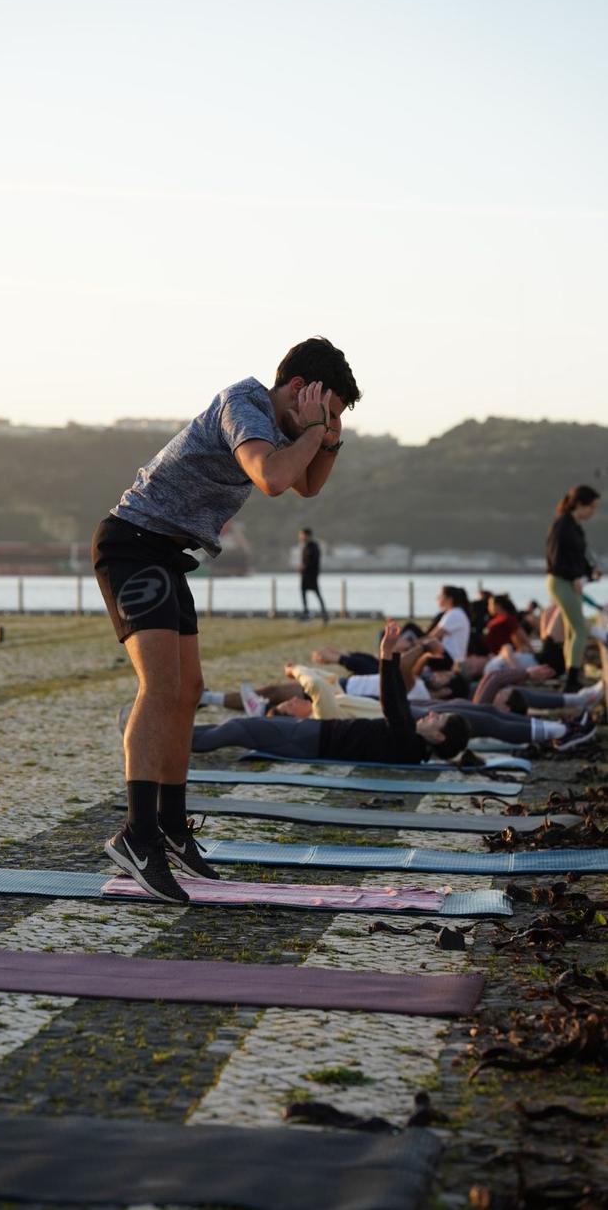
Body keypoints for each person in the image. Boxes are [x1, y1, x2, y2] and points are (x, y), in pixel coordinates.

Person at [92, 336, 360, 903]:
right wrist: (315, 431)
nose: (327, 424)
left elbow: (309, 485)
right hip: (132, 544)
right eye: (326, 409)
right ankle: (136, 836)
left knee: (189, 690)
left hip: (167, 554)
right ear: (298, 389)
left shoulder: (292, 425)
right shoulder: (245, 404)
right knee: (160, 687)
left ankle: (169, 824)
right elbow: (271, 478)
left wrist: (326, 437)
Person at [191, 621, 470, 763]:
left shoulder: (409, 741)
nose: (432, 713)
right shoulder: (413, 745)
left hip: (313, 739)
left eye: (438, 719)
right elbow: (396, 701)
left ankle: (174, 746)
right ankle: (176, 737)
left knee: (238, 729)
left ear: (438, 736)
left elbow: (392, 703)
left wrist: (387, 655)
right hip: (314, 736)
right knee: (235, 728)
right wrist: (389, 659)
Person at [546, 485, 603, 691]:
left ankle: (570, 675)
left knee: (573, 630)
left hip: (569, 581)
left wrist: (589, 572)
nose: (593, 512)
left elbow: (577, 557)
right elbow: (556, 558)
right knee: (579, 629)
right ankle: (571, 679)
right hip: (562, 582)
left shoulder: (574, 526)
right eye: (591, 507)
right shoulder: (563, 526)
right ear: (579, 504)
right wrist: (575, 577)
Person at [298, 527, 328, 622]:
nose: (300, 537)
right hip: (305, 574)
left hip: (311, 575)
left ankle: (324, 614)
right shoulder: (305, 546)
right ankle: (306, 613)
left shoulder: (313, 546)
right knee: (304, 593)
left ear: (307, 535)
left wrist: (304, 567)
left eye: (302, 535)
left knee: (317, 593)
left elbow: (314, 561)